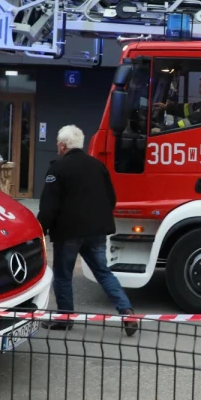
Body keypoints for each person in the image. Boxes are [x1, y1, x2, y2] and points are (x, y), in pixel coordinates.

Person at [36, 124, 138, 336]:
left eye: (57, 143)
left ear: (63, 145)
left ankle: (65, 319)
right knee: (103, 272)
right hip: (96, 232)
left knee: (63, 276)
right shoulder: (97, 166)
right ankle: (127, 311)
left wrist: (41, 228)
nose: (57, 146)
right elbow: (111, 198)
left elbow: (49, 205)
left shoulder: (57, 168)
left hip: (68, 233)